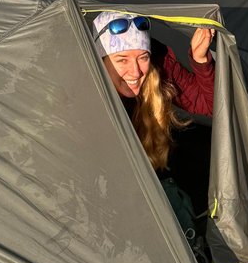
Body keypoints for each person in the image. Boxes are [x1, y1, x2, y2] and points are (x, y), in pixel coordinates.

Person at [92, 11, 215, 171]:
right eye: (122, 60)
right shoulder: (81, 91)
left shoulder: (159, 65)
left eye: (143, 57)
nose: (136, 72)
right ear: (100, 61)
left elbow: (212, 105)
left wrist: (201, 60)